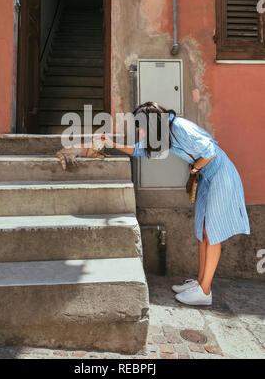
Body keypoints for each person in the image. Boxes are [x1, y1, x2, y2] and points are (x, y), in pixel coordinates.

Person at [102, 101, 250, 306]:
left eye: (142, 128)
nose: (141, 133)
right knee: (202, 231)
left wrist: (194, 169)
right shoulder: (164, 133)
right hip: (207, 176)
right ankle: (200, 283)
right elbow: (140, 151)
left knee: (211, 233)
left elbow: (209, 151)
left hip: (220, 175)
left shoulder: (179, 127)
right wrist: (113, 144)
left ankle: (205, 292)